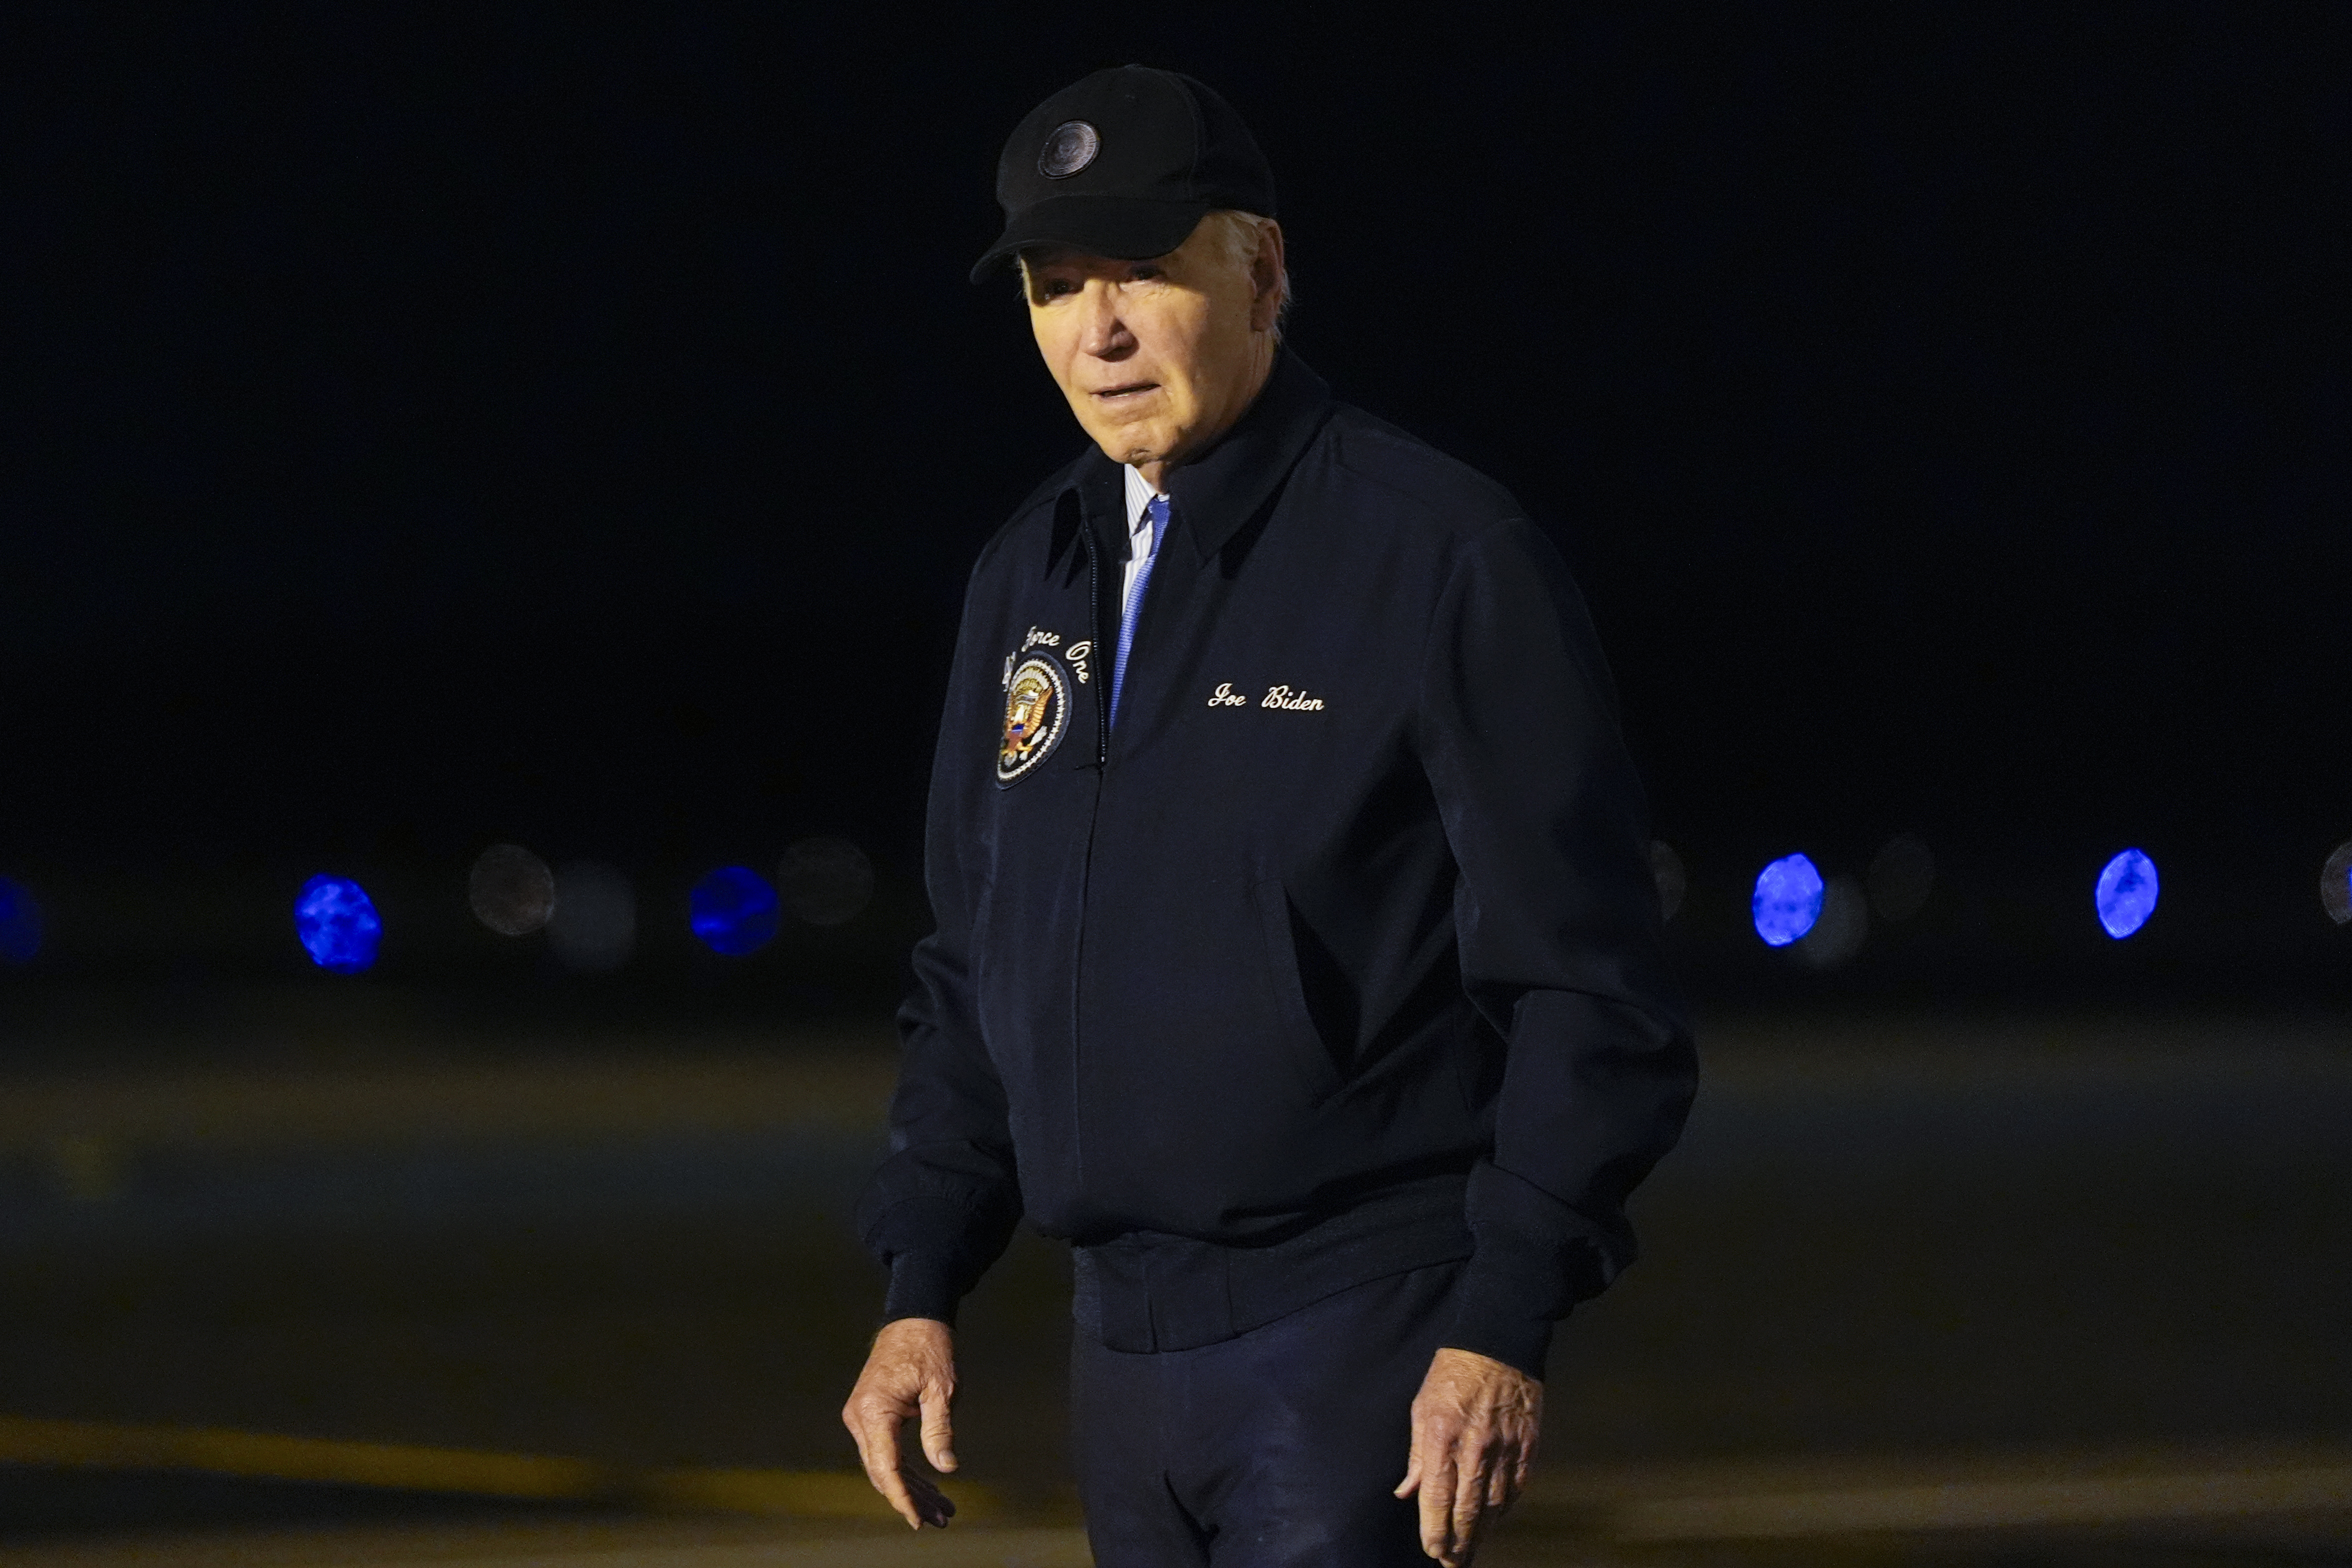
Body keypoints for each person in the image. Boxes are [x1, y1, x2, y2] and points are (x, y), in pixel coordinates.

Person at [843, 64, 1695, 1568]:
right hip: (1119, 1355)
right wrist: (920, 1281)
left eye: (1145, 276)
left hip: (1354, 1341)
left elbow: (1591, 985)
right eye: (1055, 288)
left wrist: (1503, 1317)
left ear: (1265, 272)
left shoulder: (1437, 556)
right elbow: (976, 968)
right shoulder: (1023, 580)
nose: (1096, 332)